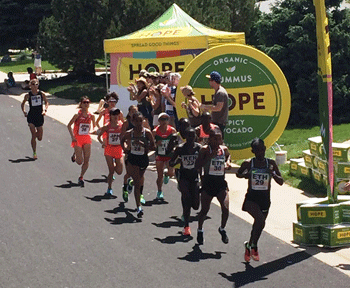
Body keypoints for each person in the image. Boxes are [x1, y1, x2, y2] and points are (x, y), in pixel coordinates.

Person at [236, 138, 284, 262]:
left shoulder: (271, 163)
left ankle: (249, 245)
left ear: (265, 149)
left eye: (262, 150)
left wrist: (272, 173)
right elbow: (238, 173)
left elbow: (281, 182)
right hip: (252, 198)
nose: (260, 153)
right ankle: (255, 247)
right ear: (253, 151)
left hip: (265, 199)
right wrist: (246, 175)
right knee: (260, 220)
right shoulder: (249, 163)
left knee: (259, 225)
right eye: (257, 151)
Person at [195, 130, 231, 245]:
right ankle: (200, 229)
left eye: (219, 139)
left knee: (225, 209)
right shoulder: (205, 150)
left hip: (220, 184)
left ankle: (222, 228)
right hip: (208, 183)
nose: (217, 141)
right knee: (205, 210)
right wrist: (208, 158)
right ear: (209, 139)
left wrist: (228, 162)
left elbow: (228, 156)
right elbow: (198, 165)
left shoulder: (223, 149)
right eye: (215, 139)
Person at [121, 112, 155, 218]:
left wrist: (144, 145)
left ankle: (130, 184)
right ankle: (139, 207)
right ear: (133, 122)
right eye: (137, 121)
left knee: (139, 179)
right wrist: (125, 148)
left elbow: (153, 147)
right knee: (137, 182)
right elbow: (122, 141)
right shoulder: (129, 133)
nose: (139, 123)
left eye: (141, 121)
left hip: (143, 159)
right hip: (133, 158)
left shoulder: (147, 133)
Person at [169, 127, 202, 236]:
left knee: (196, 206)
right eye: (189, 136)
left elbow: (203, 162)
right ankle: (186, 226)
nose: (191, 138)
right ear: (185, 137)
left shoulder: (199, 148)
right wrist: (178, 160)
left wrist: (203, 177)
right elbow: (171, 162)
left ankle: (192, 195)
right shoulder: (180, 148)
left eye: (193, 136)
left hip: (194, 177)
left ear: (195, 137)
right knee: (186, 199)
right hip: (183, 176)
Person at [67, 96, 96, 187]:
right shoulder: (77, 115)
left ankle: (81, 177)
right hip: (77, 138)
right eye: (84, 102)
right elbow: (69, 126)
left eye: (88, 102)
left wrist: (94, 131)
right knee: (80, 161)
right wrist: (72, 137)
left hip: (86, 138)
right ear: (81, 104)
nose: (86, 104)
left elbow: (94, 127)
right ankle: (75, 153)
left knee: (86, 160)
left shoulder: (91, 116)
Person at [97, 108, 124, 197]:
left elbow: (125, 136)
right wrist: (103, 143)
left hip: (118, 149)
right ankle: (109, 188)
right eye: (114, 115)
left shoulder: (121, 125)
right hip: (109, 149)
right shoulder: (106, 126)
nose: (116, 117)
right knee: (111, 170)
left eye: (117, 115)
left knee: (119, 171)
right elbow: (99, 136)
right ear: (110, 116)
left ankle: (115, 164)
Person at [21, 79, 49, 159]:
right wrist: (24, 112)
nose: (34, 86)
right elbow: (22, 104)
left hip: (39, 116)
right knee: (33, 134)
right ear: (30, 86)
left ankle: (35, 136)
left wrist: (45, 110)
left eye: (36, 84)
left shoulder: (41, 94)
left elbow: (46, 102)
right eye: (33, 84)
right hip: (31, 116)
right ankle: (34, 152)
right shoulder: (28, 95)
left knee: (39, 138)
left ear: (38, 85)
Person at [153, 112, 177, 200]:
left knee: (171, 173)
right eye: (162, 119)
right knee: (159, 175)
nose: (164, 121)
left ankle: (167, 174)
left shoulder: (172, 130)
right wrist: (156, 143)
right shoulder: (155, 132)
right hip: (160, 155)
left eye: (166, 119)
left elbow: (176, 142)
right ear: (159, 121)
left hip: (169, 155)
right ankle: (159, 191)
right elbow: (151, 144)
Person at [200, 71, 229, 139]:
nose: (209, 82)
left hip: (219, 122)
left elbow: (218, 108)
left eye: (210, 80)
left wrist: (205, 106)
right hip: (217, 122)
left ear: (214, 81)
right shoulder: (218, 91)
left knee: (218, 142)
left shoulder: (220, 92)